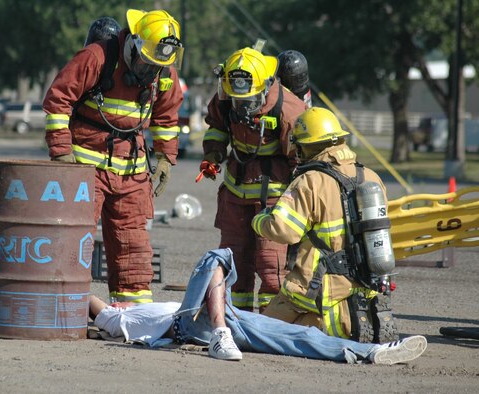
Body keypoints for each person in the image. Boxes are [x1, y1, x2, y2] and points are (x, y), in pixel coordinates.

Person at [43, 9, 185, 303]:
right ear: (133, 43)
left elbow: (167, 118)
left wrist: (165, 160)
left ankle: (133, 311)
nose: (150, 71)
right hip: (86, 168)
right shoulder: (96, 57)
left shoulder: (164, 71)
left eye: (157, 66)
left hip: (132, 172)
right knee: (75, 237)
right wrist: (61, 152)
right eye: (146, 63)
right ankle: (63, 304)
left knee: (132, 243)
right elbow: (58, 100)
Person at [89, 248, 427, 364]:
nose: (119, 302)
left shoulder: (133, 314)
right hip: (188, 322)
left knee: (297, 336)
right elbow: (86, 301)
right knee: (216, 257)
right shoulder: (116, 321)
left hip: (213, 316)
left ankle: (370, 353)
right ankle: (221, 334)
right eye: (115, 304)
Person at [252, 107, 398, 343]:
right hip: (364, 284)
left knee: (261, 332)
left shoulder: (310, 181)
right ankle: (365, 323)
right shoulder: (371, 176)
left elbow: (284, 230)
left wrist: (259, 221)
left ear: (308, 146)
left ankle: (333, 333)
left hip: (315, 288)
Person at [199, 44, 307, 311]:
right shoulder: (226, 97)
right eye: (238, 101)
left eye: (247, 101)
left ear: (264, 86)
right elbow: (216, 128)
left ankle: (271, 321)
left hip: (273, 198)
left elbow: (301, 161)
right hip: (236, 193)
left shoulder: (289, 110)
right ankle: (237, 317)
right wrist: (213, 155)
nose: (242, 107)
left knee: (271, 264)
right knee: (234, 260)